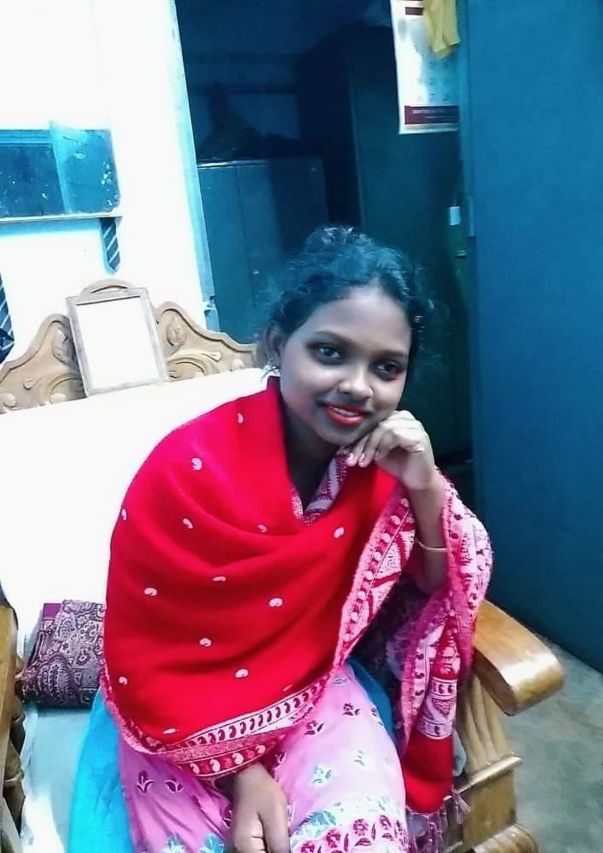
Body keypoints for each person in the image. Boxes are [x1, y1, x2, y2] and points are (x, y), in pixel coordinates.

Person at [90, 225, 491, 853]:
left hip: (314, 685)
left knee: (361, 835)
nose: (358, 385)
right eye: (330, 352)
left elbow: (442, 588)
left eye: (386, 367)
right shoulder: (187, 471)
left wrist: (424, 486)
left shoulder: (386, 465)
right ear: (280, 344)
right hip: (182, 709)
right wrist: (241, 771)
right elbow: (147, 646)